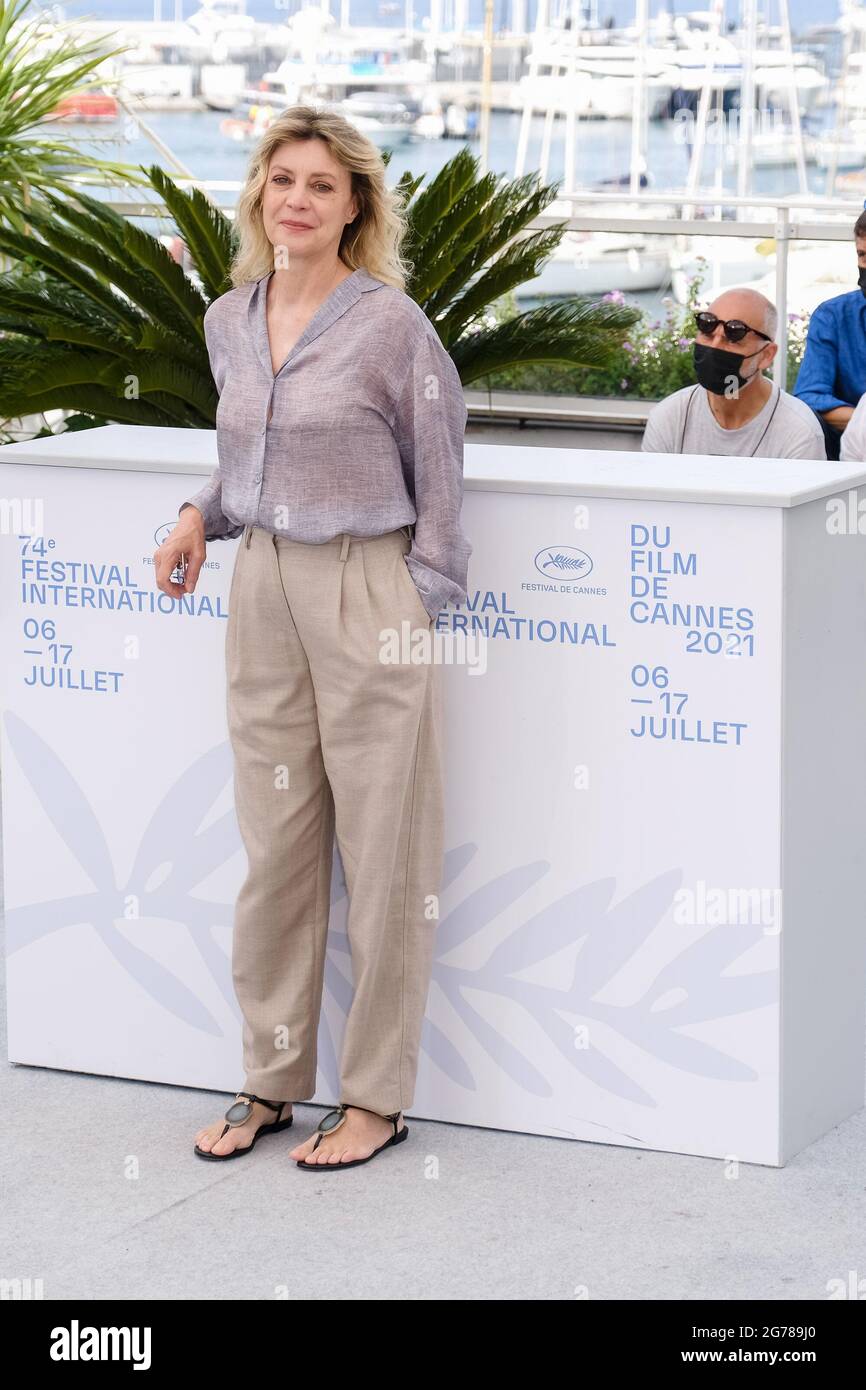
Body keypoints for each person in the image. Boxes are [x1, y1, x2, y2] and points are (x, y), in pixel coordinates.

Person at [153, 105, 471, 1171]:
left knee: (385, 853)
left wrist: (414, 596)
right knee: (276, 851)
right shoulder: (226, 319)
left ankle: (376, 1096)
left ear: (354, 207)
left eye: (321, 185)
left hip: (365, 587)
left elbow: (440, 475)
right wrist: (200, 514)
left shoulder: (390, 325)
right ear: (257, 195)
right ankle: (270, 1079)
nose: (297, 198)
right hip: (263, 594)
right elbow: (246, 463)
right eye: (281, 179)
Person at [642, 287, 826, 460]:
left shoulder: (799, 431)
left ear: (766, 355)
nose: (714, 346)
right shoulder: (669, 417)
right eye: (707, 328)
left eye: (734, 335)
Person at [793, 209, 866, 461]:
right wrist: (862, 425)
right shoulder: (833, 316)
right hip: (848, 459)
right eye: (862, 254)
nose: (864, 264)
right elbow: (809, 397)